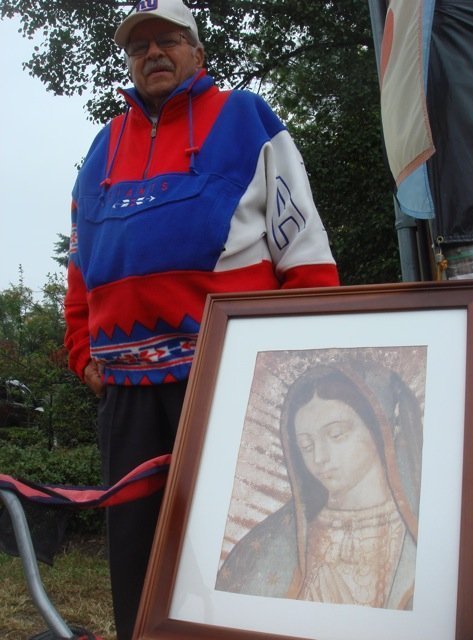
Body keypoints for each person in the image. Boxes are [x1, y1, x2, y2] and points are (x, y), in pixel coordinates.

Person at [64, 1, 339, 637]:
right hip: (127, 393)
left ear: (197, 52)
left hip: (228, 380)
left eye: (168, 40)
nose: (153, 54)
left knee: (239, 549)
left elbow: (303, 250)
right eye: (139, 47)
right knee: (138, 561)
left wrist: (302, 364)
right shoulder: (102, 147)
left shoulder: (246, 120)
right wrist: (81, 352)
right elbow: (81, 265)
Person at [216, 361, 423, 610]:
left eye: (336, 435)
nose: (319, 457)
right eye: (306, 446)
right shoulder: (275, 540)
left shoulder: (424, 532)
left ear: (380, 428)